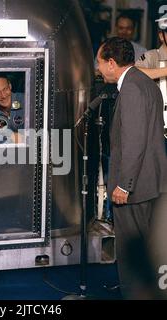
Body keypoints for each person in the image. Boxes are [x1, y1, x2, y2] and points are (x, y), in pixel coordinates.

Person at [96, 37, 167, 299]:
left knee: (131, 251)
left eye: (101, 63)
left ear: (112, 63)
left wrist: (124, 185)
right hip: (151, 181)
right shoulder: (144, 82)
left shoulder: (132, 89)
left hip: (136, 186)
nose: (99, 69)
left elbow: (134, 142)